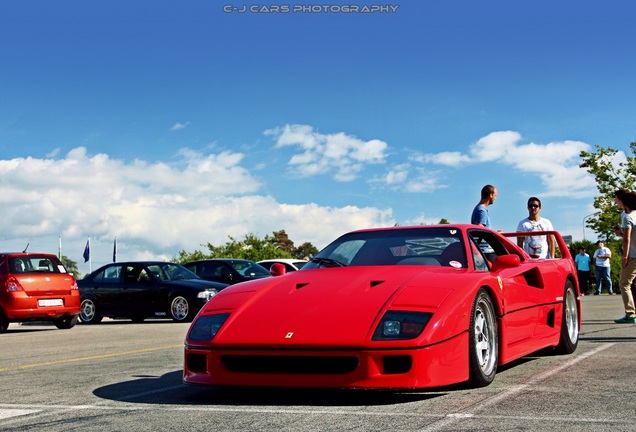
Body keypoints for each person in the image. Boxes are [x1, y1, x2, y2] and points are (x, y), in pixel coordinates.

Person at [613, 189, 636, 323]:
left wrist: (625, 257)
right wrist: (620, 234)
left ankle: (630, 314)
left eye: (616, 199)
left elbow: (627, 238)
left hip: (633, 256)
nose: (616, 201)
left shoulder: (627, 217)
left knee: (624, 284)